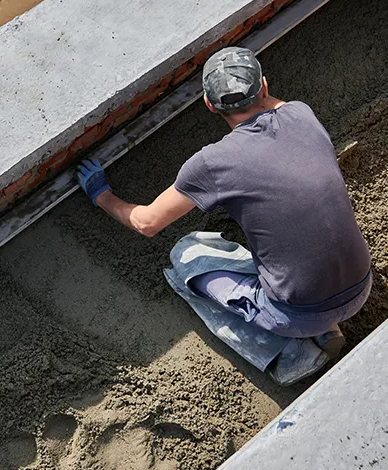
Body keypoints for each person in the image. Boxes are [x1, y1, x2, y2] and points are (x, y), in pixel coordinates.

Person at [77, 47, 371, 363]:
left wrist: (101, 195)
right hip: (361, 284)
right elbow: (274, 107)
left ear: (208, 104)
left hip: (296, 314)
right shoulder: (301, 114)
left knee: (187, 257)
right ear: (266, 87)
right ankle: (325, 327)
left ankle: (291, 356)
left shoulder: (213, 163)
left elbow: (147, 222)